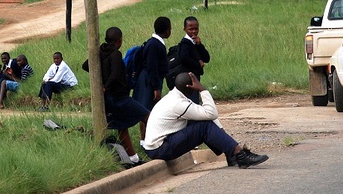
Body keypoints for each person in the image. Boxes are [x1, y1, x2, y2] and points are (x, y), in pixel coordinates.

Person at [142, 72, 268, 168]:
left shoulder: (176, 95)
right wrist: (203, 90)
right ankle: (240, 155)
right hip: (160, 149)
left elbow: (207, 115)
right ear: (189, 88)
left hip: (161, 144)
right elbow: (211, 114)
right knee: (204, 126)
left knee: (203, 120)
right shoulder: (178, 103)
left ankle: (233, 154)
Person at [83, 27, 149, 166]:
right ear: (119, 41)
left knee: (122, 127)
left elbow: (86, 66)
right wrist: (106, 86)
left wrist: (100, 81)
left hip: (109, 99)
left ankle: (133, 159)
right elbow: (115, 74)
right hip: (120, 97)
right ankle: (156, 146)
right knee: (147, 116)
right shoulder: (116, 54)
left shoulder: (100, 52)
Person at [132, 16, 171, 143]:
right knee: (146, 111)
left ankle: (147, 139)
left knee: (146, 110)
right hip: (148, 82)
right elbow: (152, 67)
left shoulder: (154, 43)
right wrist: (156, 88)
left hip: (148, 80)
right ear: (166, 30)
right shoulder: (154, 45)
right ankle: (145, 140)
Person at [173, 16, 210, 103]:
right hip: (188, 79)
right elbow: (184, 58)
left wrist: (199, 45)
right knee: (192, 101)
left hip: (195, 77)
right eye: (190, 29)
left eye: (196, 29)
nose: (194, 31)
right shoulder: (185, 43)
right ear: (185, 29)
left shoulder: (195, 42)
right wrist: (198, 64)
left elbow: (207, 58)